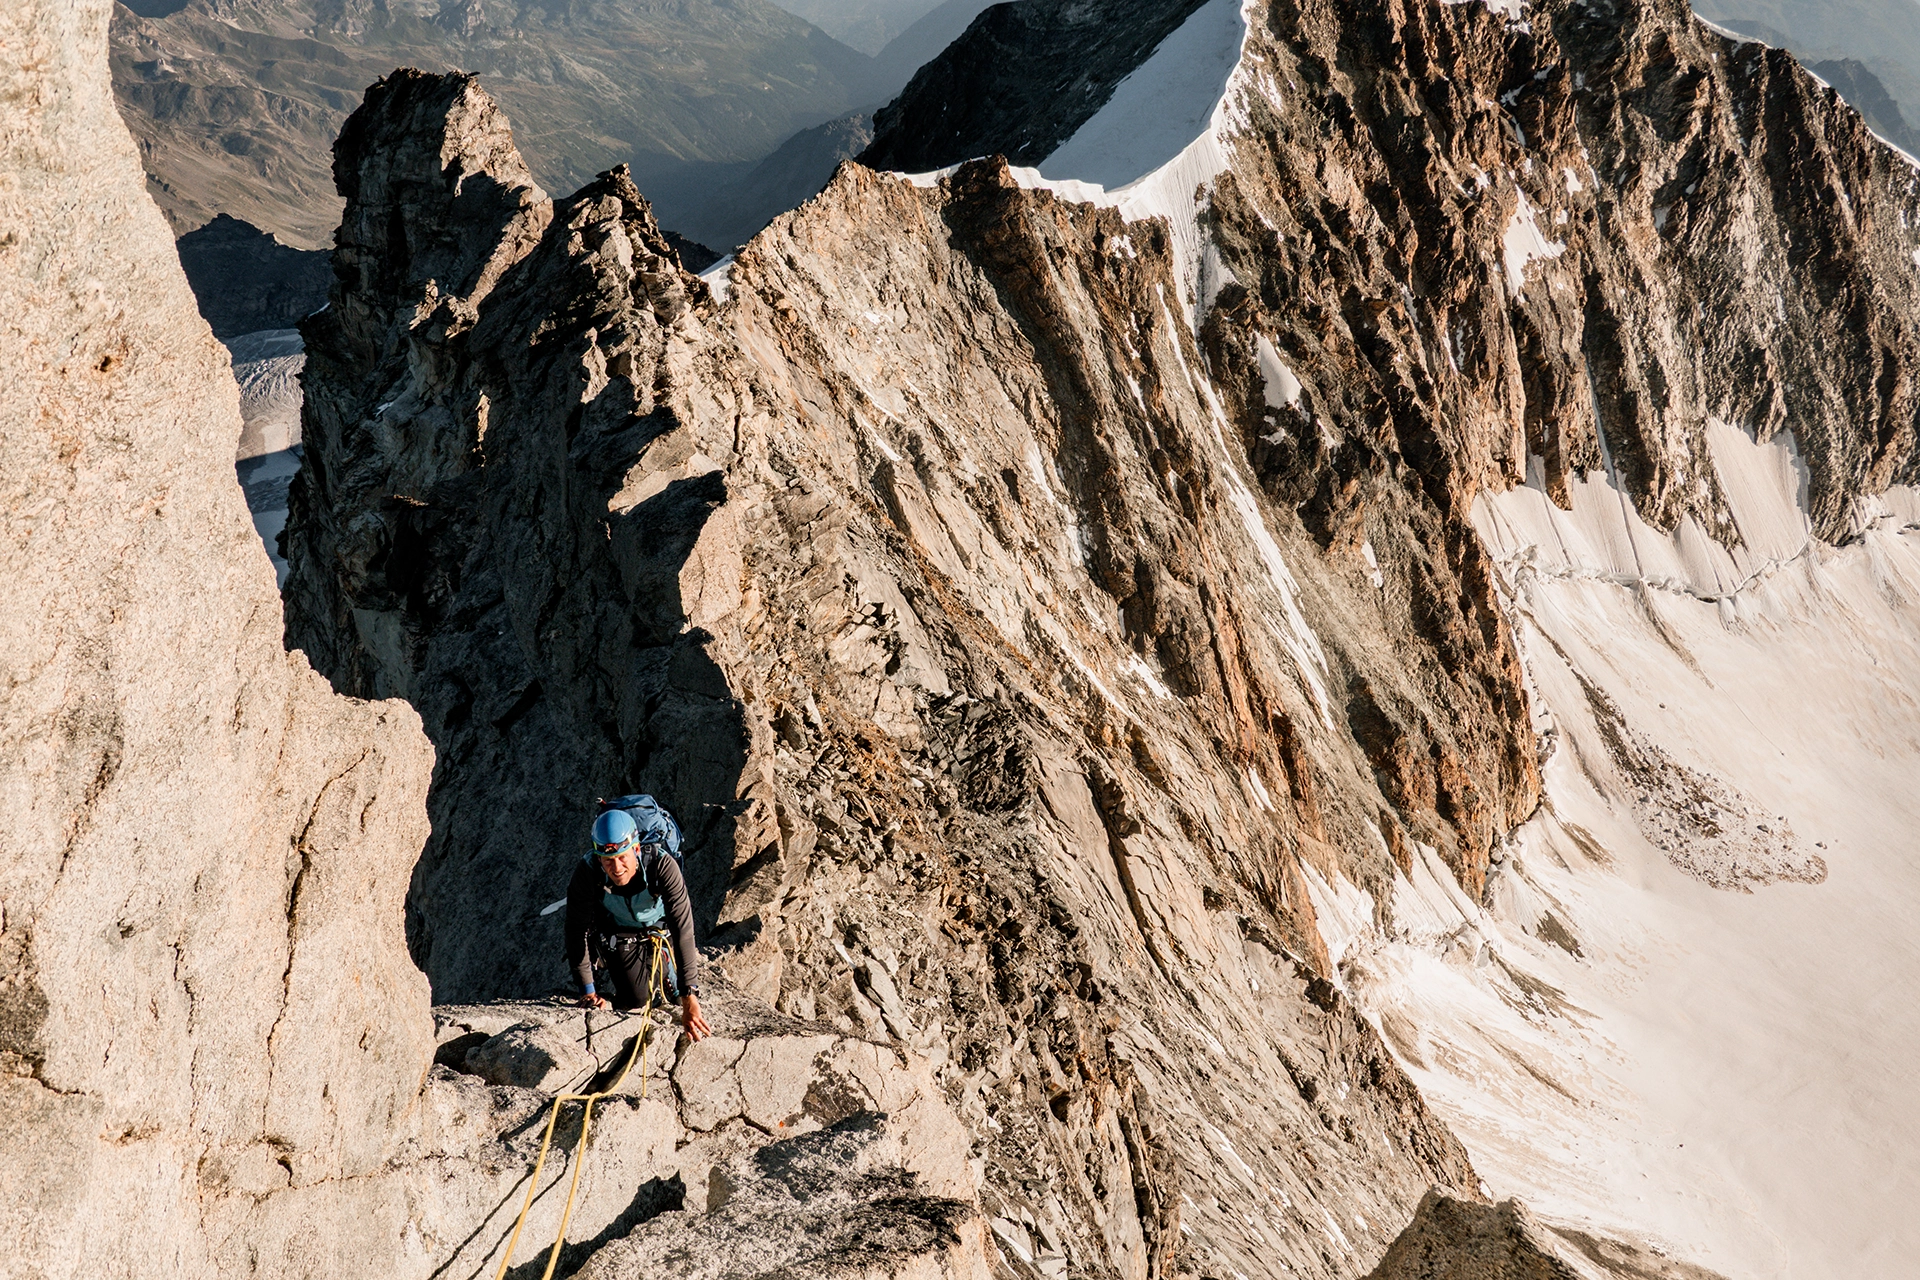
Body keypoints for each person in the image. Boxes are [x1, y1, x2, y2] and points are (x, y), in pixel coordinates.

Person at [563, 803, 711, 1040]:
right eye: (608, 860)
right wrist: (587, 990)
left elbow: (682, 928)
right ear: (599, 857)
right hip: (619, 932)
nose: (616, 868)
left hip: (660, 928)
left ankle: (664, 960)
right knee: (635, 1000)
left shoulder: (661, 865)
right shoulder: (588, 870)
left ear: (637, 849)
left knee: (675, 999)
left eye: (622, 857)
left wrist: (689, 995)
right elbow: (576, 929)